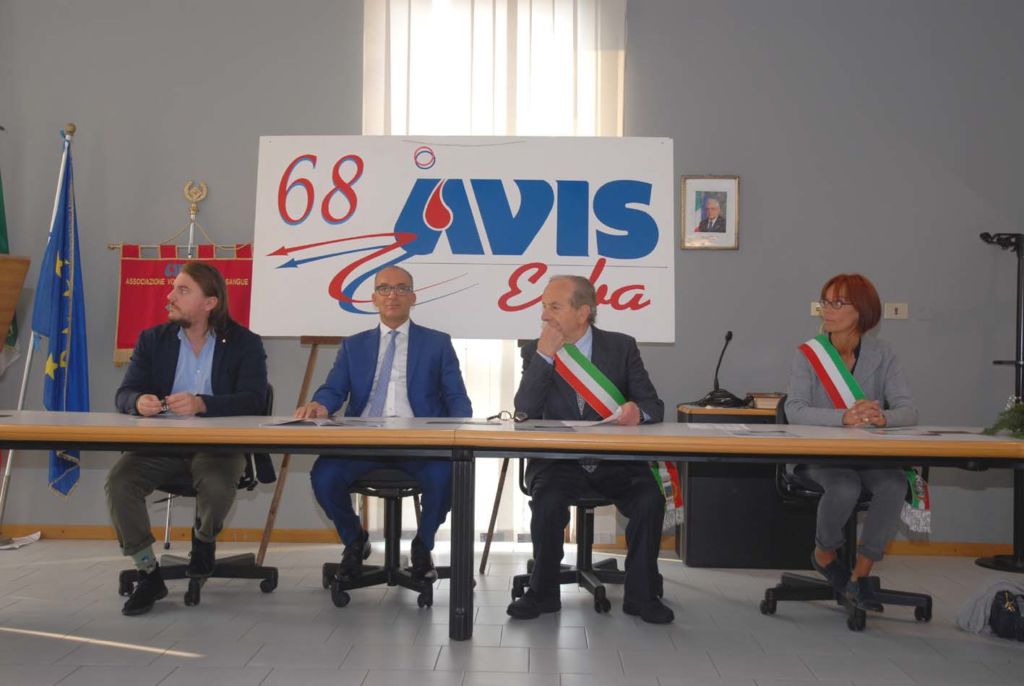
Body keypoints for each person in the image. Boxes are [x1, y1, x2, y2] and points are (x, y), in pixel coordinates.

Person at [506, 275, 672, 624]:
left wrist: (636, 412)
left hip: (616, 462)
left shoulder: (622, 347)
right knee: (547, 502)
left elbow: (653, 405)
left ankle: (642, 597)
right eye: (544, 306)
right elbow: (524, 411)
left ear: (583, 312)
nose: (544, 315)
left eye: (554, 307)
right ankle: (542, 593)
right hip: (559, 463)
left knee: (649, 500)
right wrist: (545, 356)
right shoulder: (535, 350)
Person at [107, 262, 268, 616]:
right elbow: (124, 393)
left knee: (216, 485)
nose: (170, 296)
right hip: (161, 445)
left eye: (182, 290)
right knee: (119, 482)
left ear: (209, 303)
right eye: (173, 288)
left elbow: (255, 399)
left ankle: (204, 541)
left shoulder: (244, 343)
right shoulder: (153, 340)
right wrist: (138, 401)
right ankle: (148, 573)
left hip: (219, 447)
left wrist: (202, 404)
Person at [295, 265, 471, 584]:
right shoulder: (353, 345)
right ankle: (354, 540)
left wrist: (458, 430)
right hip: (362, 442)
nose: (393, 295)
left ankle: (423, 546)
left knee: (447, 474)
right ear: (374, 298)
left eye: (402, 288)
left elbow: (456, 396)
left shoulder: (437, 343)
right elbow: (333, 389)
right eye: (385, 289)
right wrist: (320, 405)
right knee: (324, 476)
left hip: (419, 443)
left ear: (413, 297)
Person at [785, 273, 918, 612]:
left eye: (838, 303)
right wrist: (843, 417)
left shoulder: (883, 354)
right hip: (820, 456)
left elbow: (908, 409)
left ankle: (860, 576)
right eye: (825, 302)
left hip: (868, 453)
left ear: (861, 310)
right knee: (845, 486)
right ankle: (824, 553)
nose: (827, 310)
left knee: (894, 483)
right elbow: (794, 409)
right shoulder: (810, 354)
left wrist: (883, 417)